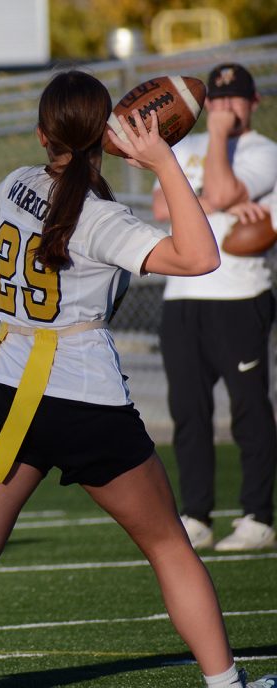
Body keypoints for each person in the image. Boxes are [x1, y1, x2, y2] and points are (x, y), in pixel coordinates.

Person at [0, 71, 275, 688]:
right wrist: (162, 161)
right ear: (108, 133)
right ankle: (225, 684)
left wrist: (22, 239)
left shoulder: (15, 185)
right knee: (168, 545)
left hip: (4, 388)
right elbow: (200, 257)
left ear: (40, 134)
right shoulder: (103, 219)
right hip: (83, 396)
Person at [151, 63, 277, 552]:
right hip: (183, 297)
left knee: (249, 409)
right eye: (218, 102)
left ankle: (257, 516)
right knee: (188, 411)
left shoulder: (263, 152)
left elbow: (222, 190)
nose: (223, 109)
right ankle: (196, 513)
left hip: (239, 295)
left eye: (234, 101)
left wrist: (220, 143)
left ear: (254, 103)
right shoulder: (186, 147)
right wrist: (217, 202)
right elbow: (163, 207)